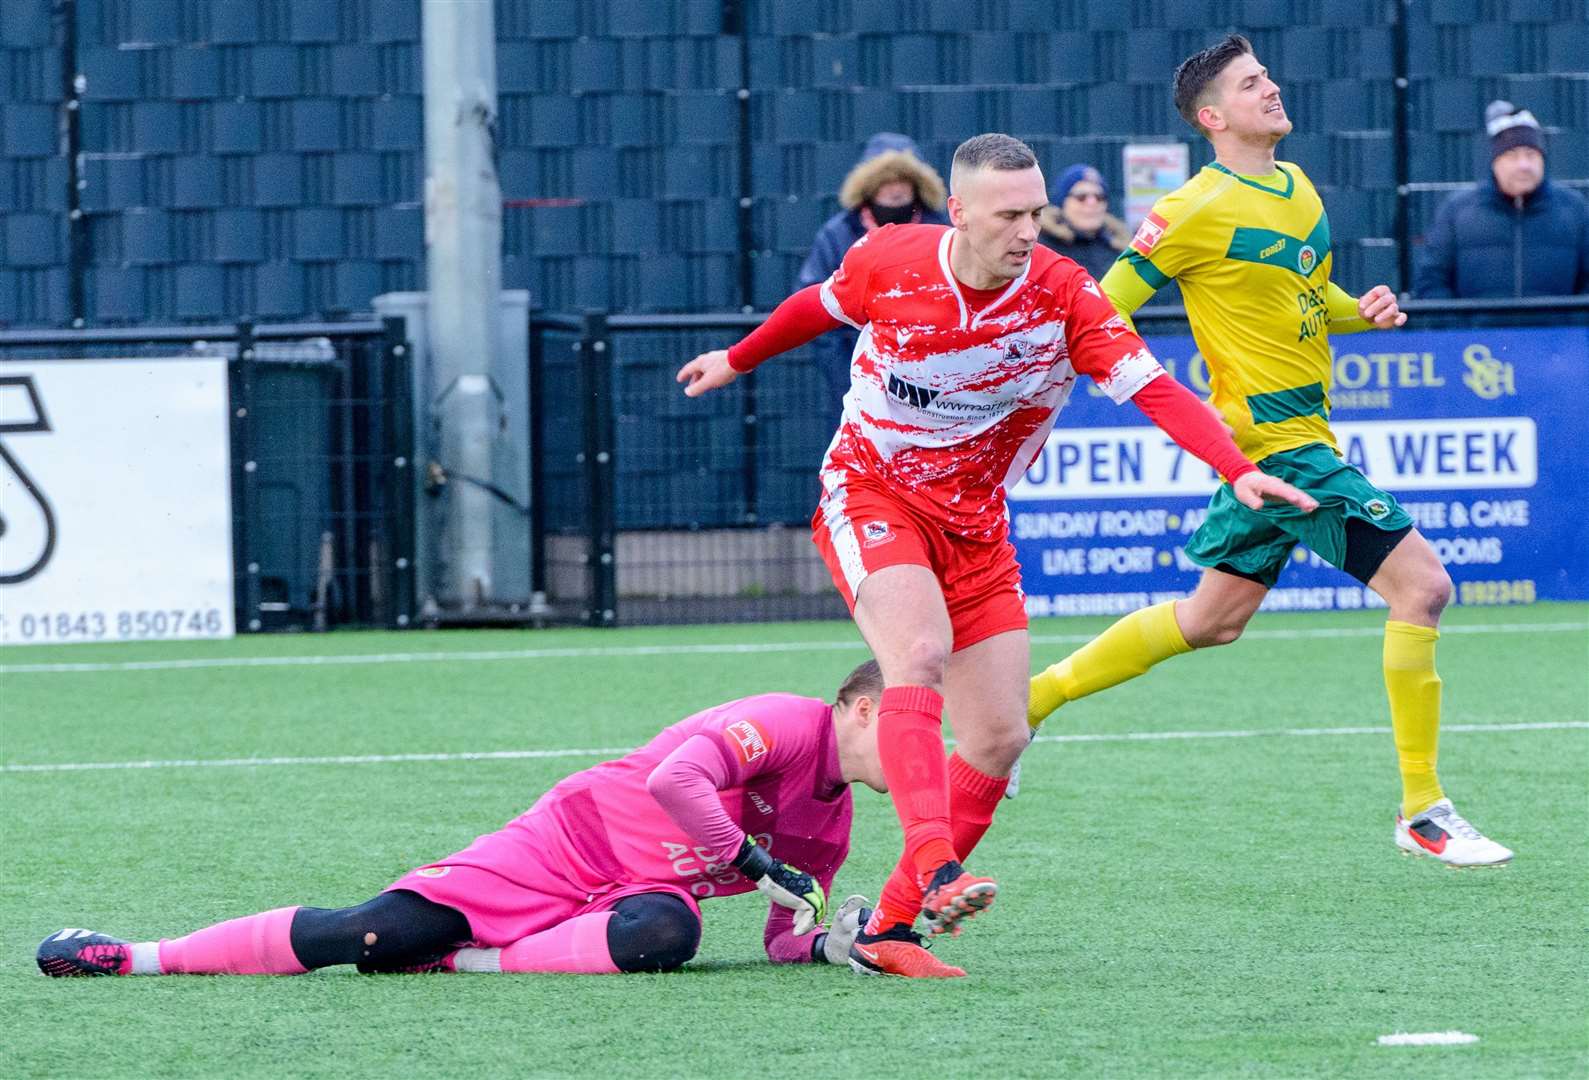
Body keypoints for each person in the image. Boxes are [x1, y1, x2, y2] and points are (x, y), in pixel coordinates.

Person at [676, 133, 1315, 976]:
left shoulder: (1064, 296)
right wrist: (735, 357)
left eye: (1036, 212)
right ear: (960, 211)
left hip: (975, 525)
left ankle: (888, 929)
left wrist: (1235, 469)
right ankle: (937, 863)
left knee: (999, 735)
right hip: (871, 493)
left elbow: (1154, 389)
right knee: (918, 654)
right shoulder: (888, 260)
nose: (1027, 229)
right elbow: (814, 307)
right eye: (1009, 213)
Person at [1024, 34, 1512, 867]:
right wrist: (1129, 397)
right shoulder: (1188, 209)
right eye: (1252, 84)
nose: (1272, 89)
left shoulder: (1296, 188)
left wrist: (1361, 309)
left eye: (1268, 77)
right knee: (1423, 587)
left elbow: (1306, 294)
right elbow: (1101, 313)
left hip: (1289, 441)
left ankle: (1032, 697)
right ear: (1212, 116)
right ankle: (1422, 807)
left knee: (1209, 621)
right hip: (1275, 441)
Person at [36, 662, 889, 979]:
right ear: (853, 707)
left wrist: (828, 942)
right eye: (908, 724)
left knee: (668, 934)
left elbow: (782, 936)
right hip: (562, 845)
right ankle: (139, 957)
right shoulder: (783, 718)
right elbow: (678, 779)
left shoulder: (832, 828)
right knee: (371, 935)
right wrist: (742, 856)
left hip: (628, 899)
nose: (920, 750)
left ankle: (473, 964)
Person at [797, 133, 950, 433]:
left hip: (932, 385)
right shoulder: (837, 234)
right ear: (868, 186)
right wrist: (848, 375)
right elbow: (813, 304)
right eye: (885, 181)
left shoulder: (943, 230)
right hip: (857, 381)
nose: (895, 190)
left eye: (903, 180)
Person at [1413, 100, 1589, 298]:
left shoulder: (1575, 209)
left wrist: (1570, 325)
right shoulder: (1457, 210)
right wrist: (1461, 327)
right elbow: (1431, 282)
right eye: (1512, 156)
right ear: (1495, 162)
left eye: (1531, 155)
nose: (1524, 165)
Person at [1036, 164, 1131, 281]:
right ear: (1062, 203)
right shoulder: (1042, 248)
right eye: (1081, 197)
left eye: (1099, 197)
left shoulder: (1120, 248)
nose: (1092, 202)